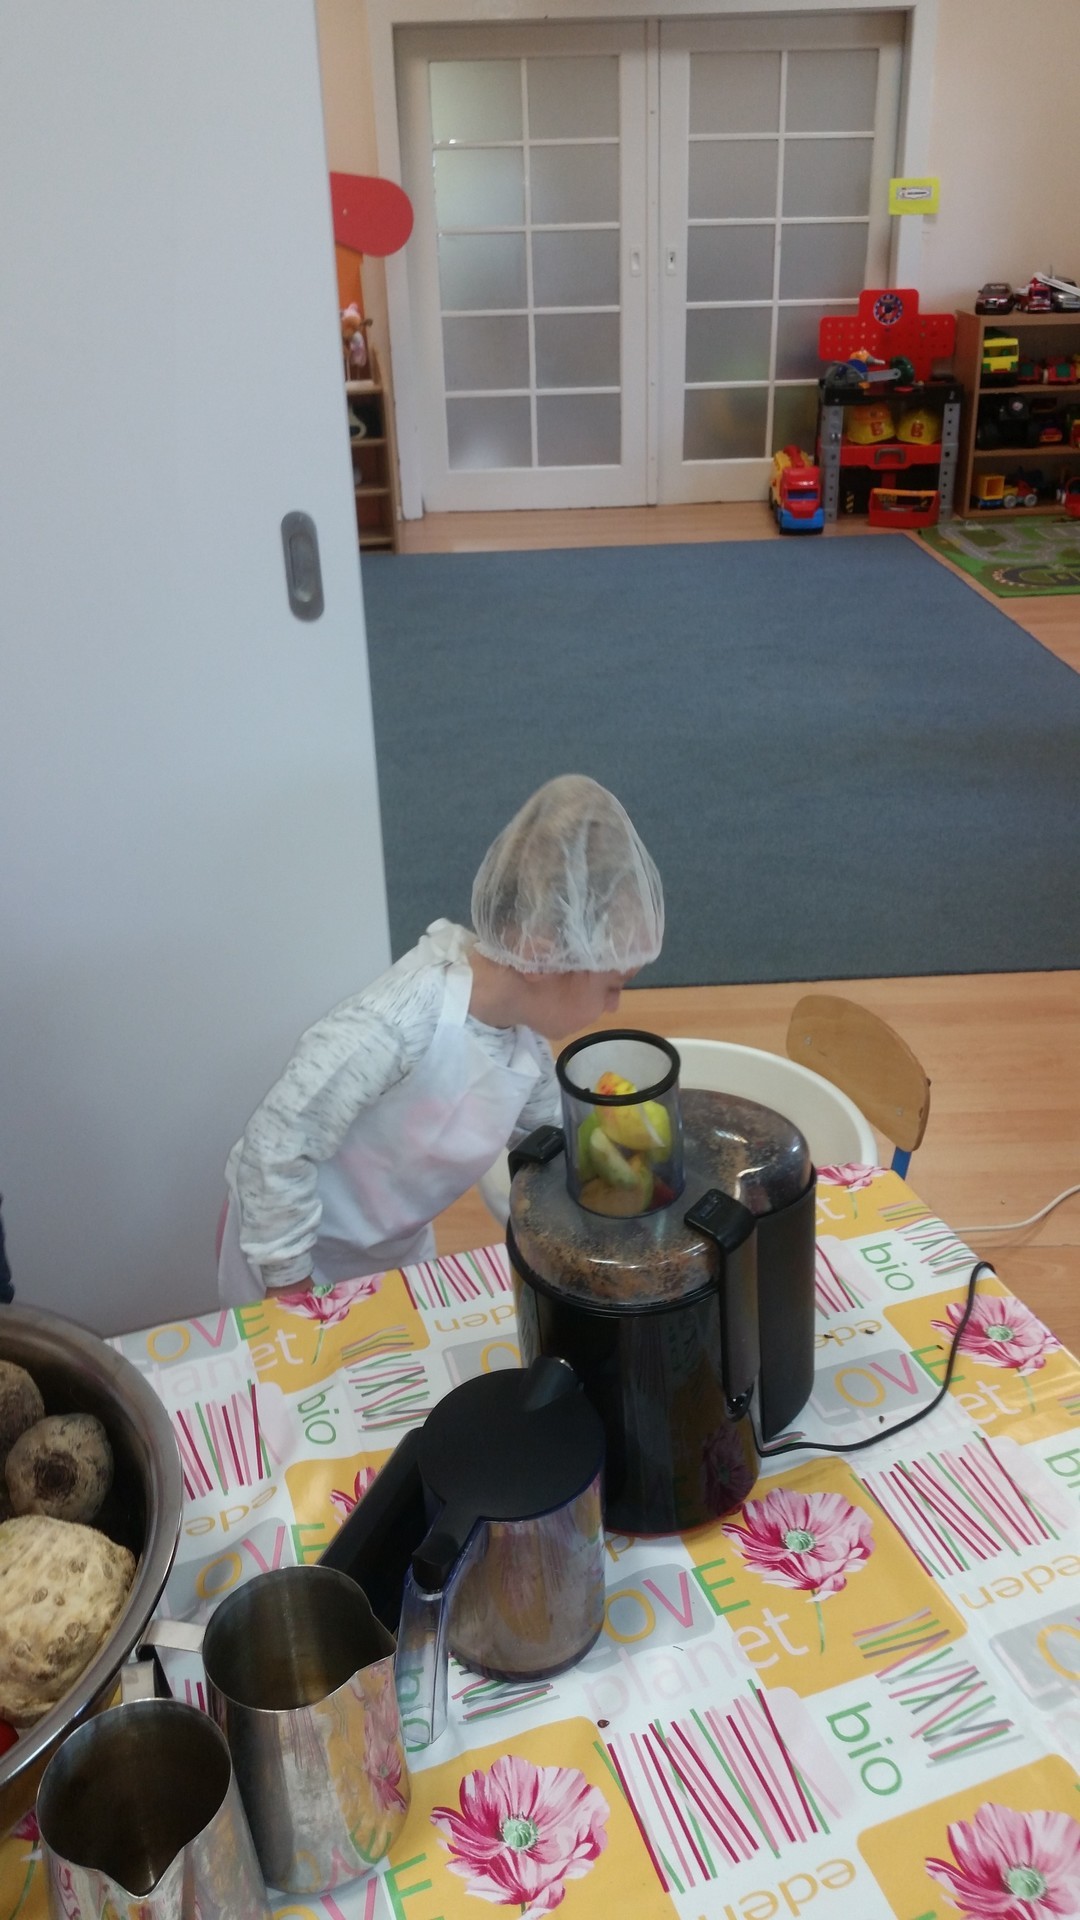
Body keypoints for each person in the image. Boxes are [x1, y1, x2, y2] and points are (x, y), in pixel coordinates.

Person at [217, 775, 664, 1305]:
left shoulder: (523, 1046)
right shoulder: (394, 1026)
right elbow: (275, 1146)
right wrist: (289, 1283)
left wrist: (620, 1176)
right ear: (541, 955)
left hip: (394, 1246)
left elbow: (550, 1143)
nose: (614, 1006)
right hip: (295, 1248)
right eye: (612, 985)